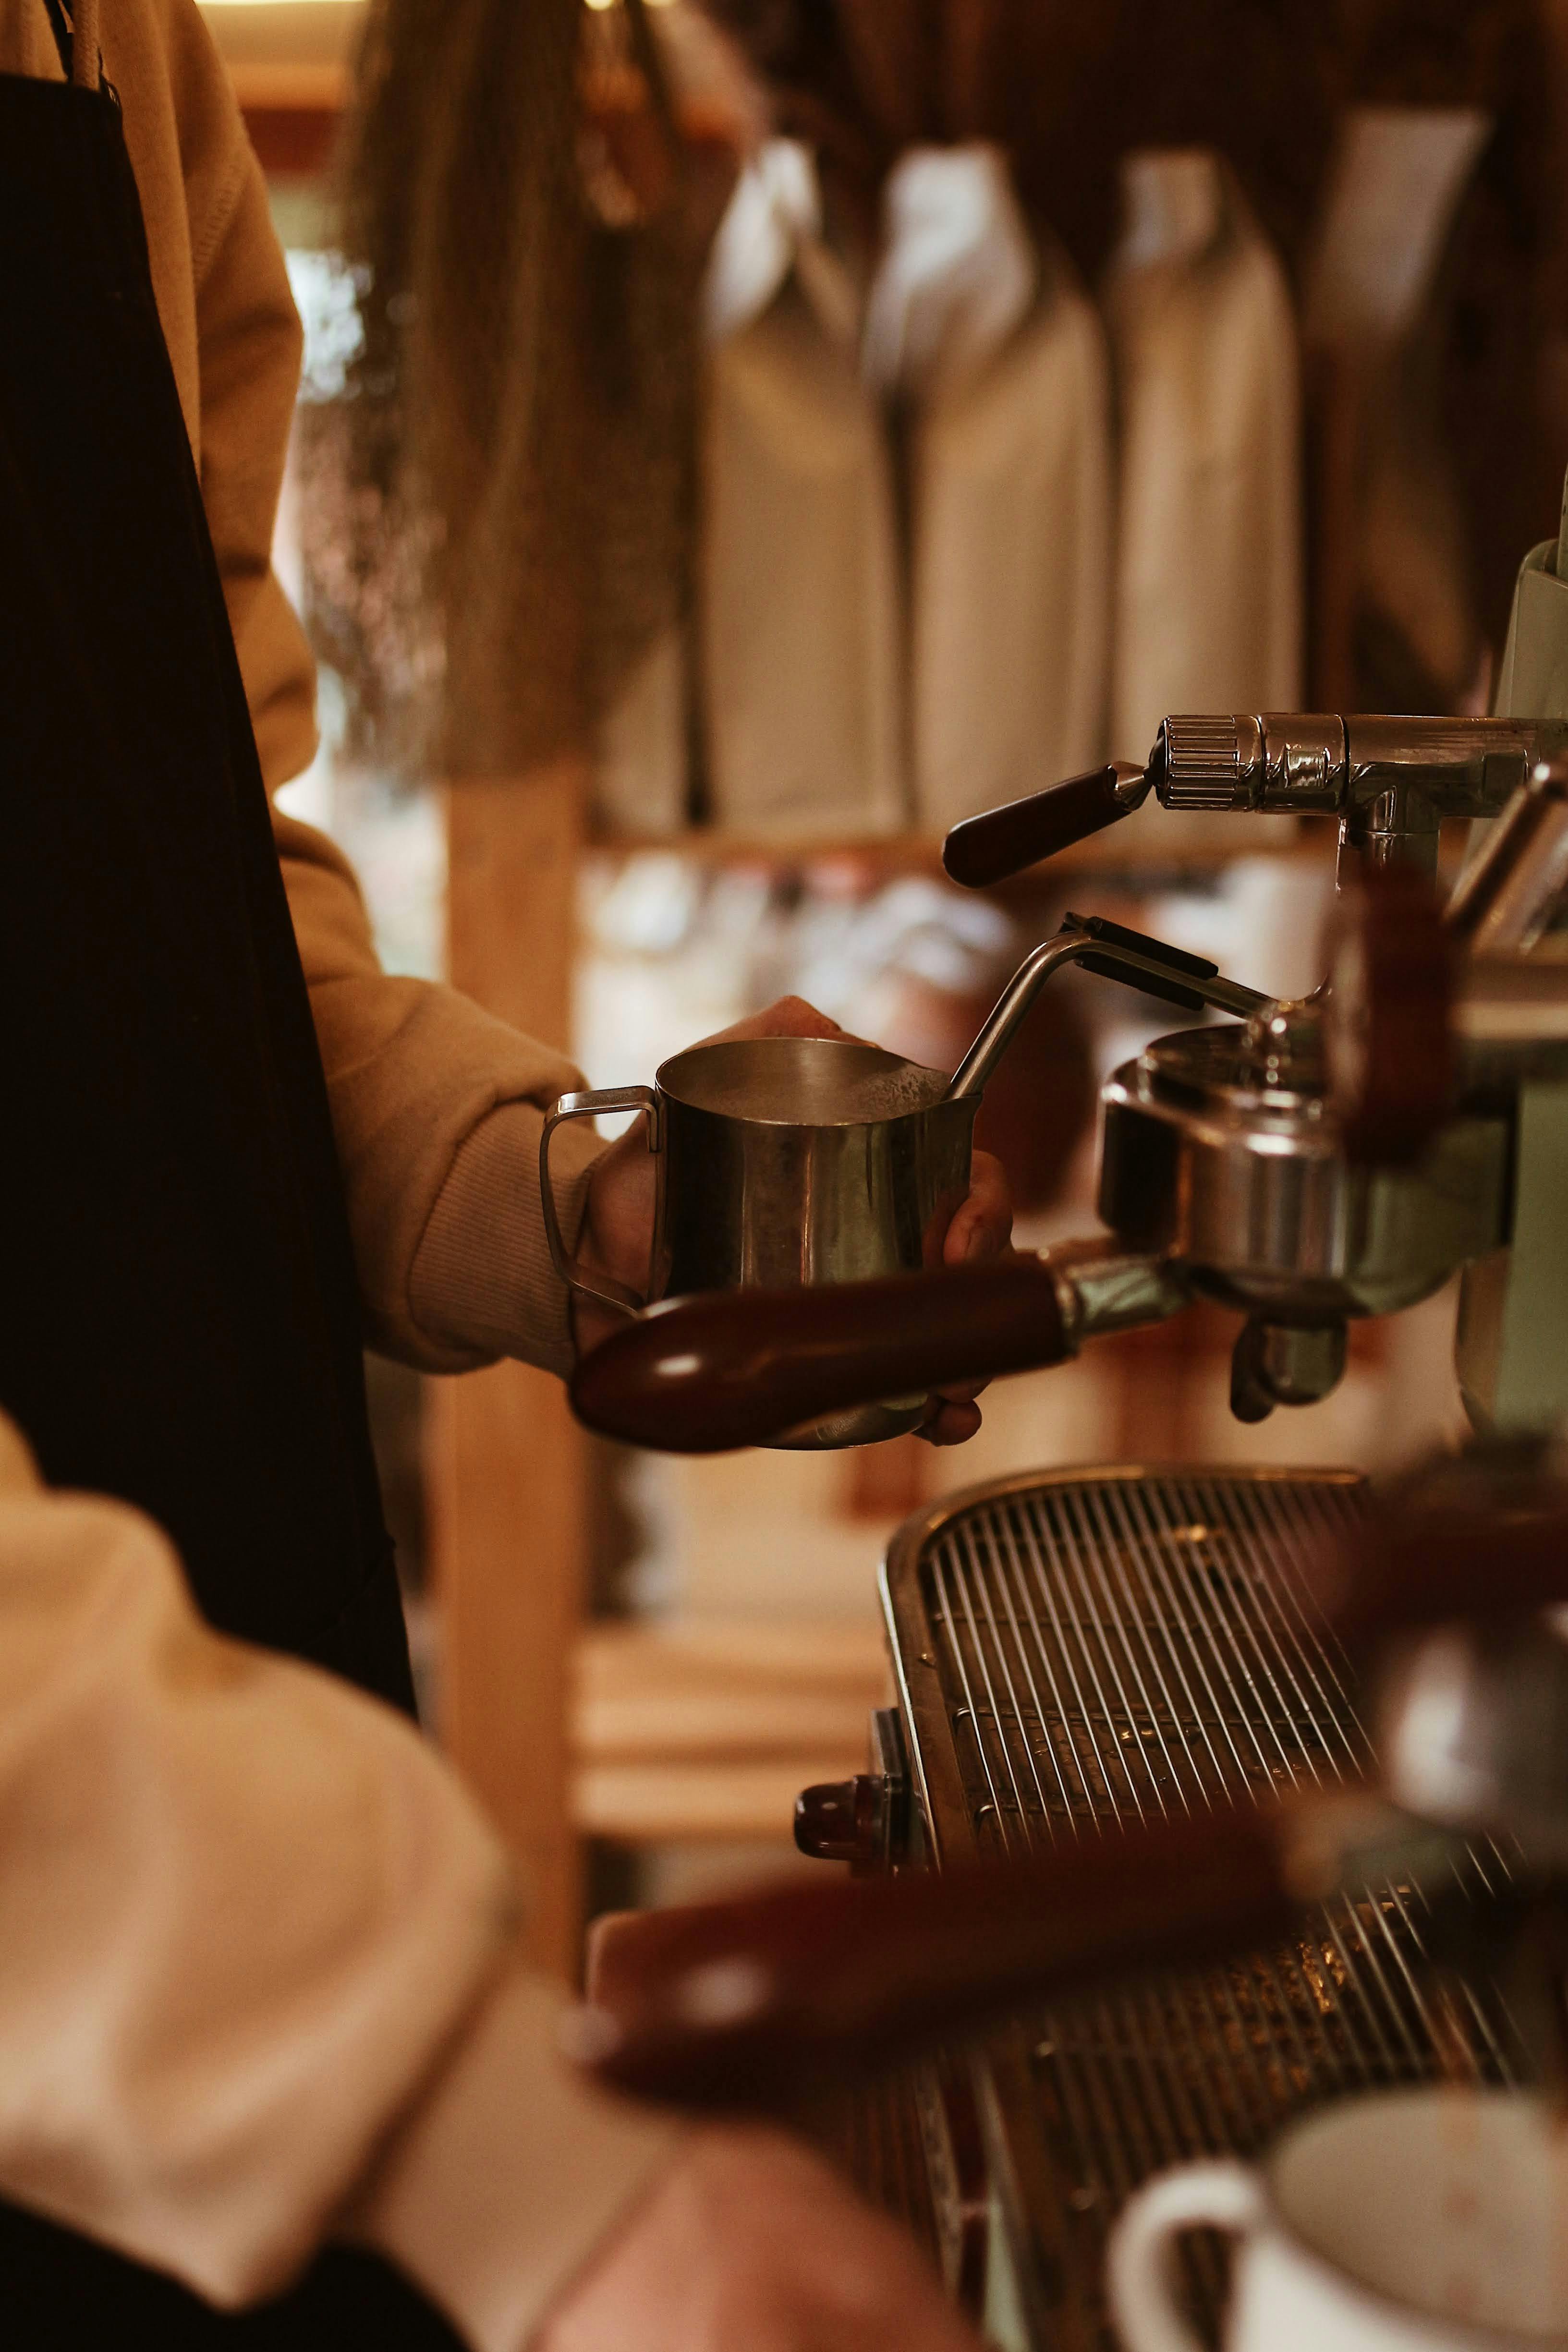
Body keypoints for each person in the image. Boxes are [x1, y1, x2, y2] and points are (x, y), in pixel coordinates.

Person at [0, 1, 1009, 2343]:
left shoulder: (109, 39)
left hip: (219, 1818)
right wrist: (477, 2128)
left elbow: (176, 894)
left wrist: (565, 1191)